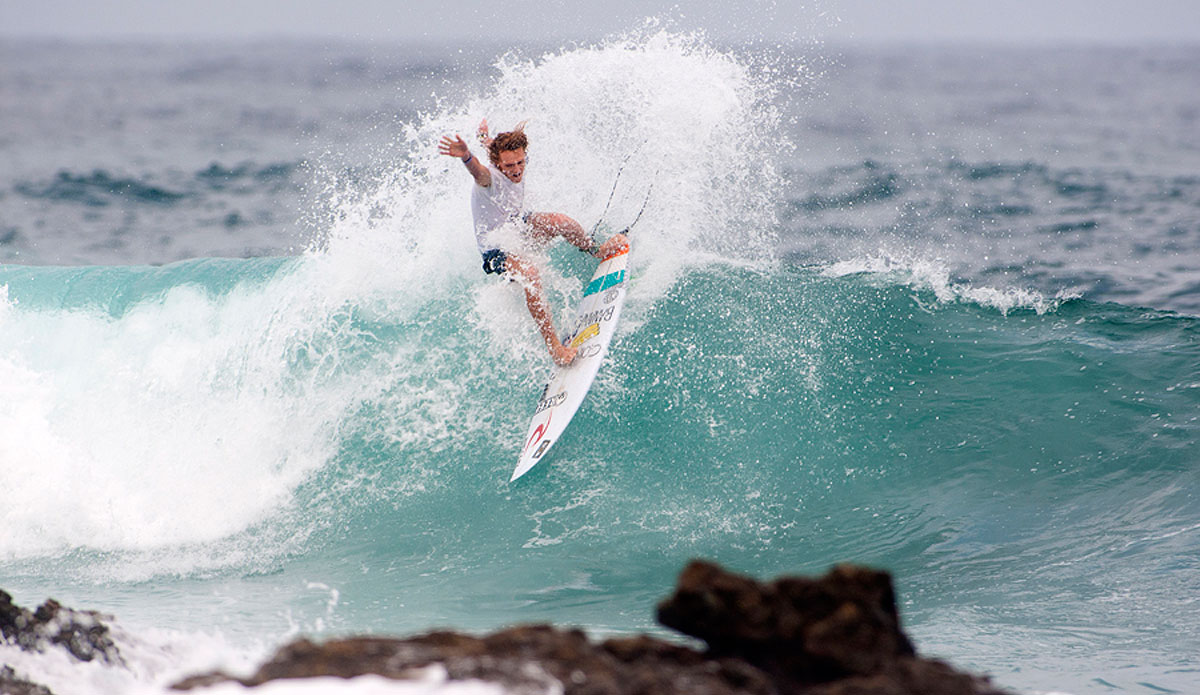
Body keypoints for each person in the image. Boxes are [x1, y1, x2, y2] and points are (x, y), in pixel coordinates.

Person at [439, 120, 627, 366]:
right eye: (509, 165)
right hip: (497, 249)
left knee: (562, 222)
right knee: (530, 273)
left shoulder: (507, 156)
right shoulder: (488, 178)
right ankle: (555, 348)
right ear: (498, 164)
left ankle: (596, 251)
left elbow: (490, 146)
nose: (516, 170)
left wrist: (483, 135)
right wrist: (465, 156)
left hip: (519, 225)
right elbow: (478, 171)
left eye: (520, 162)